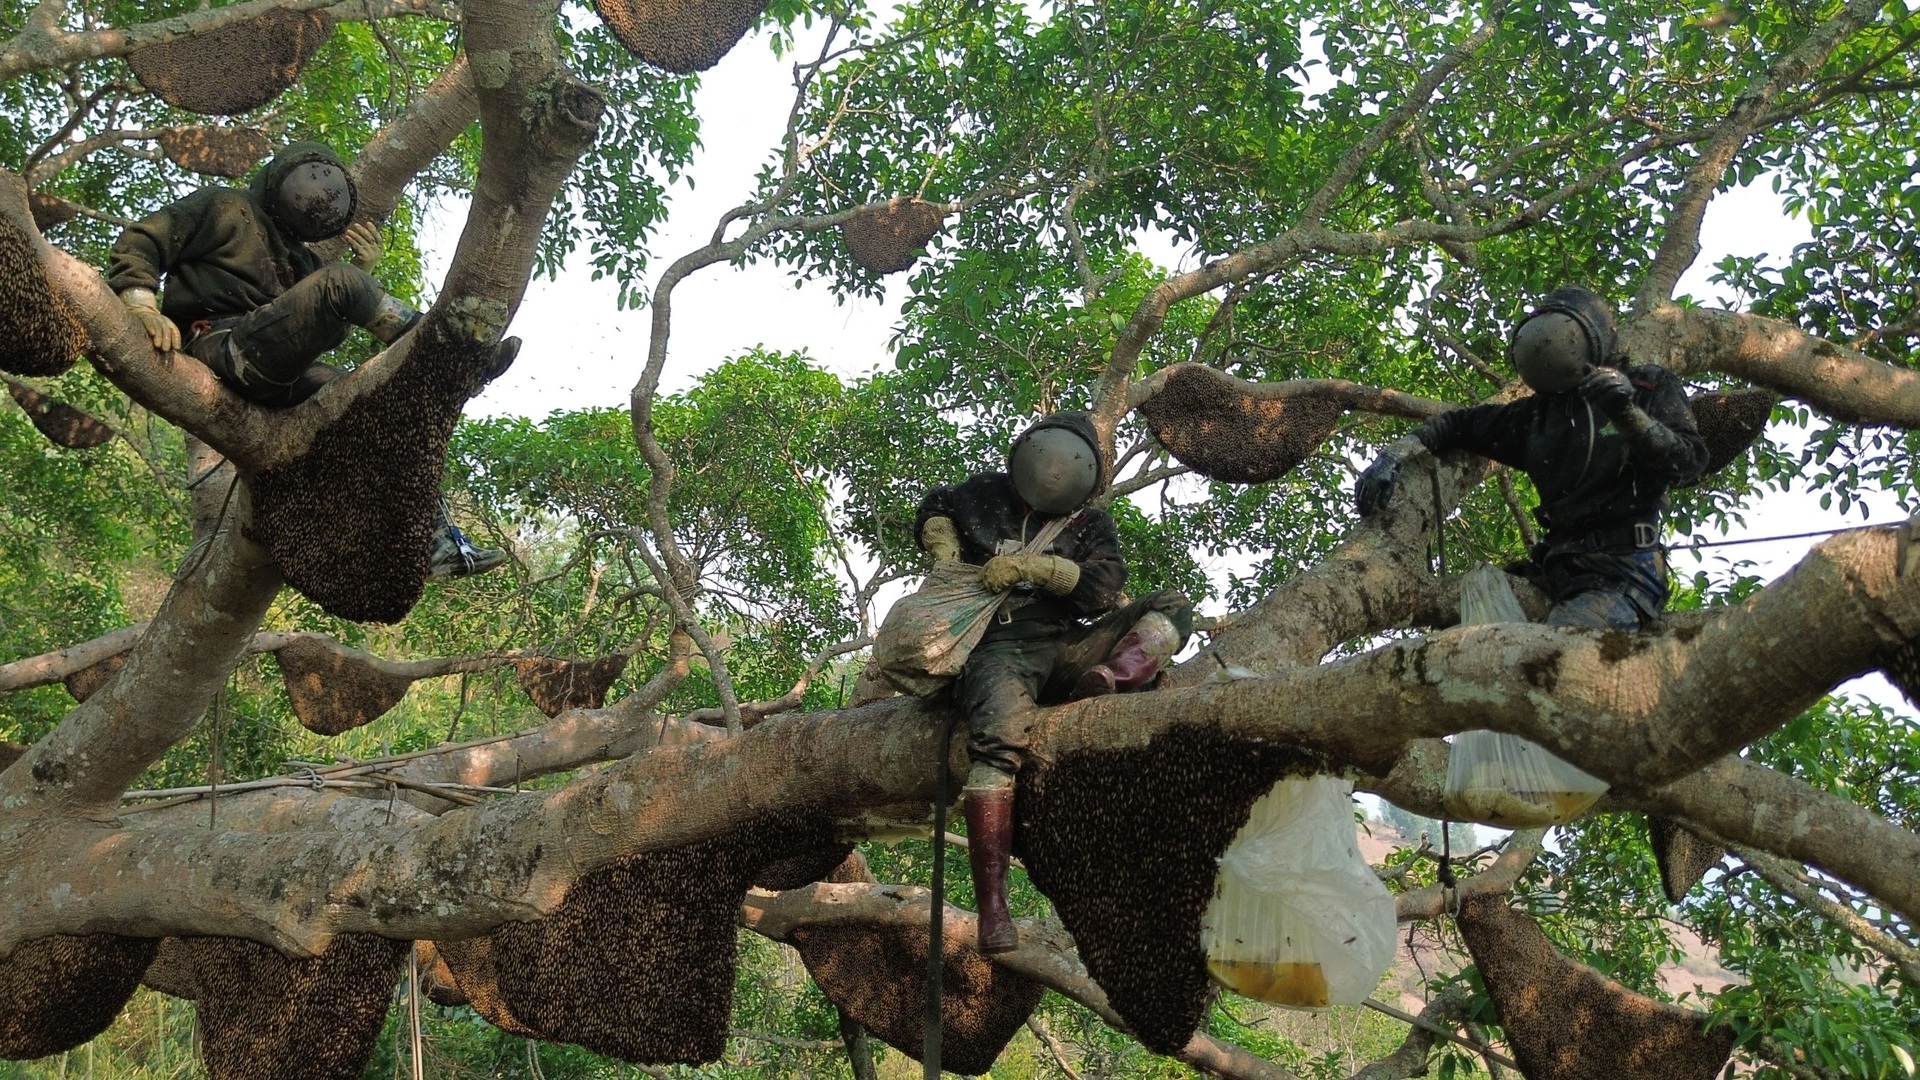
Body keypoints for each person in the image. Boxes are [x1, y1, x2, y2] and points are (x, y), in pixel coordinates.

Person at [108, 140, 509, 579]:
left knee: (375, 407)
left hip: (273, 368)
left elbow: (322, 331)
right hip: (219, 343)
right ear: (281, 175)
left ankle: (433, 542)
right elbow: (144, 240)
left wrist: (362, 273)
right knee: (339, 282)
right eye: (311, 177)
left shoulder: (302, 259)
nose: (319, 188)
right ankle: (453, 353)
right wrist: (141, 306)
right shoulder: (225, 206)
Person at [915, 411, 1194, 952]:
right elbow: (936, 504)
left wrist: (1039, 570)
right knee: (996, 749)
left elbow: (1104, 583)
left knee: (1171, 606)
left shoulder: (1089, 526)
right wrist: (945, 549)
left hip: (1065, 645)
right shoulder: (983, 494)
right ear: (1027, 452)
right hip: (997, 644)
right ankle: (992, 909)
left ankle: (1114, 677)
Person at [1354, 285, 1708, 629]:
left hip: (1625, 570)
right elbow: (1455, 424)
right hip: (1553, 571)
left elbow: (1689, 461)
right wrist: (1391, 458)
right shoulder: (1534, 418)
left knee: (1553, 654)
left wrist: (1627, 413)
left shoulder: (1647, 385)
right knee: (1472, 628)